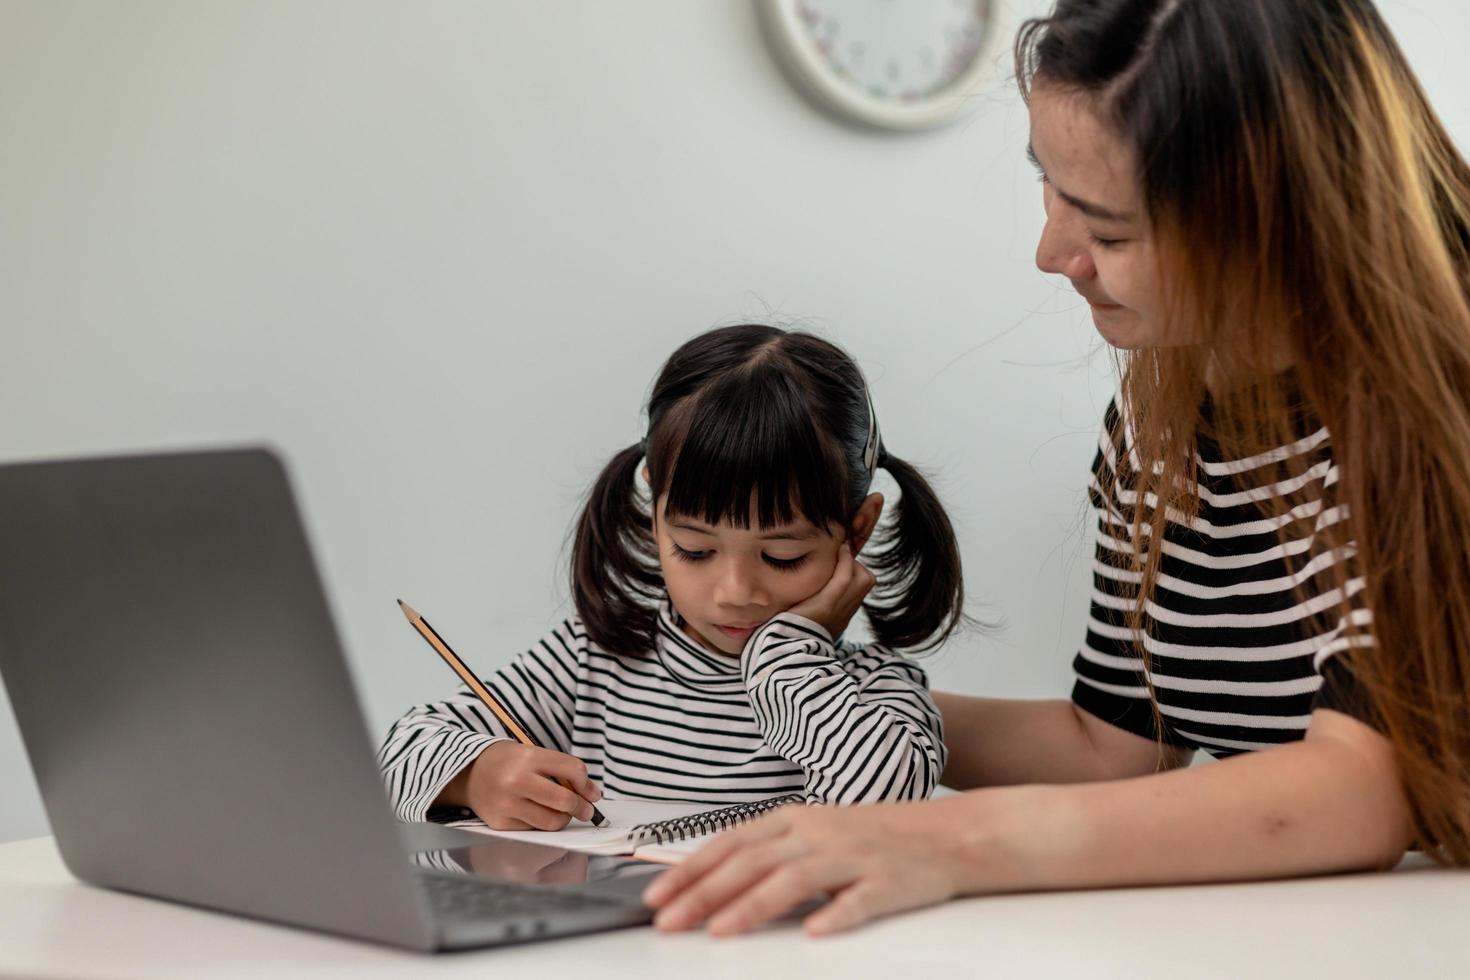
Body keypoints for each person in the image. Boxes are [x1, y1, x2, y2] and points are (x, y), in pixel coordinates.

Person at [643, 0, 1470, 936]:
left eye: (1110, 233)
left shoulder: (1441, 402)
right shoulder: (1161, 417)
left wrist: (954, 845)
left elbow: (1362, 790)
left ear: (1275, 221)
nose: (1052, 255)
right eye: (1052, 186)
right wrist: (811, 693)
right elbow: (1113, 747)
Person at [376, 324, 966, 830]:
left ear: (855, 533)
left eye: (782, 556)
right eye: (694, 549)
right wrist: (478, 776)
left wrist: (790, 658)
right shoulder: (595, 660)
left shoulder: (876, 693)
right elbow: (397, 753)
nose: (735, 592)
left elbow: (886, 814)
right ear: (656, 511)